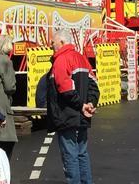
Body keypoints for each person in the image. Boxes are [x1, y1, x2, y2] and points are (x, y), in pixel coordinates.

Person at [47, 29, 99, 184]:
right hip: (82, 116)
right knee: (82, 153)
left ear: (62, 42)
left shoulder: (61, 60)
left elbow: (65, 88)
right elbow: (94, 85)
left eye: (53, 42)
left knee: (70, 156)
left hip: (67, 116)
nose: (51, 45)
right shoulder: (82, 58)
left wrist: (81, 105)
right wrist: (90, 103)